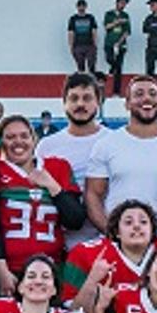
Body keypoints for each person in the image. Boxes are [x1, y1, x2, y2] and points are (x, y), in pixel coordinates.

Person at [84, 76, 157, 241]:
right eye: (139, 94)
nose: (147, 98)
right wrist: (112, 234)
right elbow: (92, 196)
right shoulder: (106, 145)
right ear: (127, 103)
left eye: (153, 94)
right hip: (120, 243)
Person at [0, 114, 85, 296]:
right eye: (10, 137)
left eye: (24, 136)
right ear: (0, 142)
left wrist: (53, 186)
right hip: (9, 271)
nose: (18, 142)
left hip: (50, 269)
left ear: (34, 138)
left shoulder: (57, 167)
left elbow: (75, 220)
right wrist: (1, 270)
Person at [36, 73, 107, 248]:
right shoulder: (47, 146)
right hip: (61, 245)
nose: (80, 104)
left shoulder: (114, 142)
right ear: (64, 103)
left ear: (98, 102)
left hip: (108, 241)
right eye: (74, 98)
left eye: (87, 98)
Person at [103, 0, 132, 93]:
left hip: (121, 44)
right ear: (117, 3)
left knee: (119, 68)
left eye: (125, 4)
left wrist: (119, 42)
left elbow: (127, 32)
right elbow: (107, 27)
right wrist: (117, 22)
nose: (123, 5)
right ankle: (112, 67)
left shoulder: (126, 15)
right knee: (109, 59)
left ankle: (116, 91)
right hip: (109, 42)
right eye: (122, 3)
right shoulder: (109, 14)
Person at [66, 0, 99, 75]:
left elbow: (94, 31)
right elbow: (71, 33)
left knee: (92, 65)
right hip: (77, 45)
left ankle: (92, 82)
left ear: (86, 7)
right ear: (77, 7)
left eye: (83, 6)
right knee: (80, 66)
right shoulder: (73, 19)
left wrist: (95, 44)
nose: (81, 8)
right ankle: (82, 83)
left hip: (89, 44)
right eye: (79, 6)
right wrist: (71, 46)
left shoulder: (90, 18)